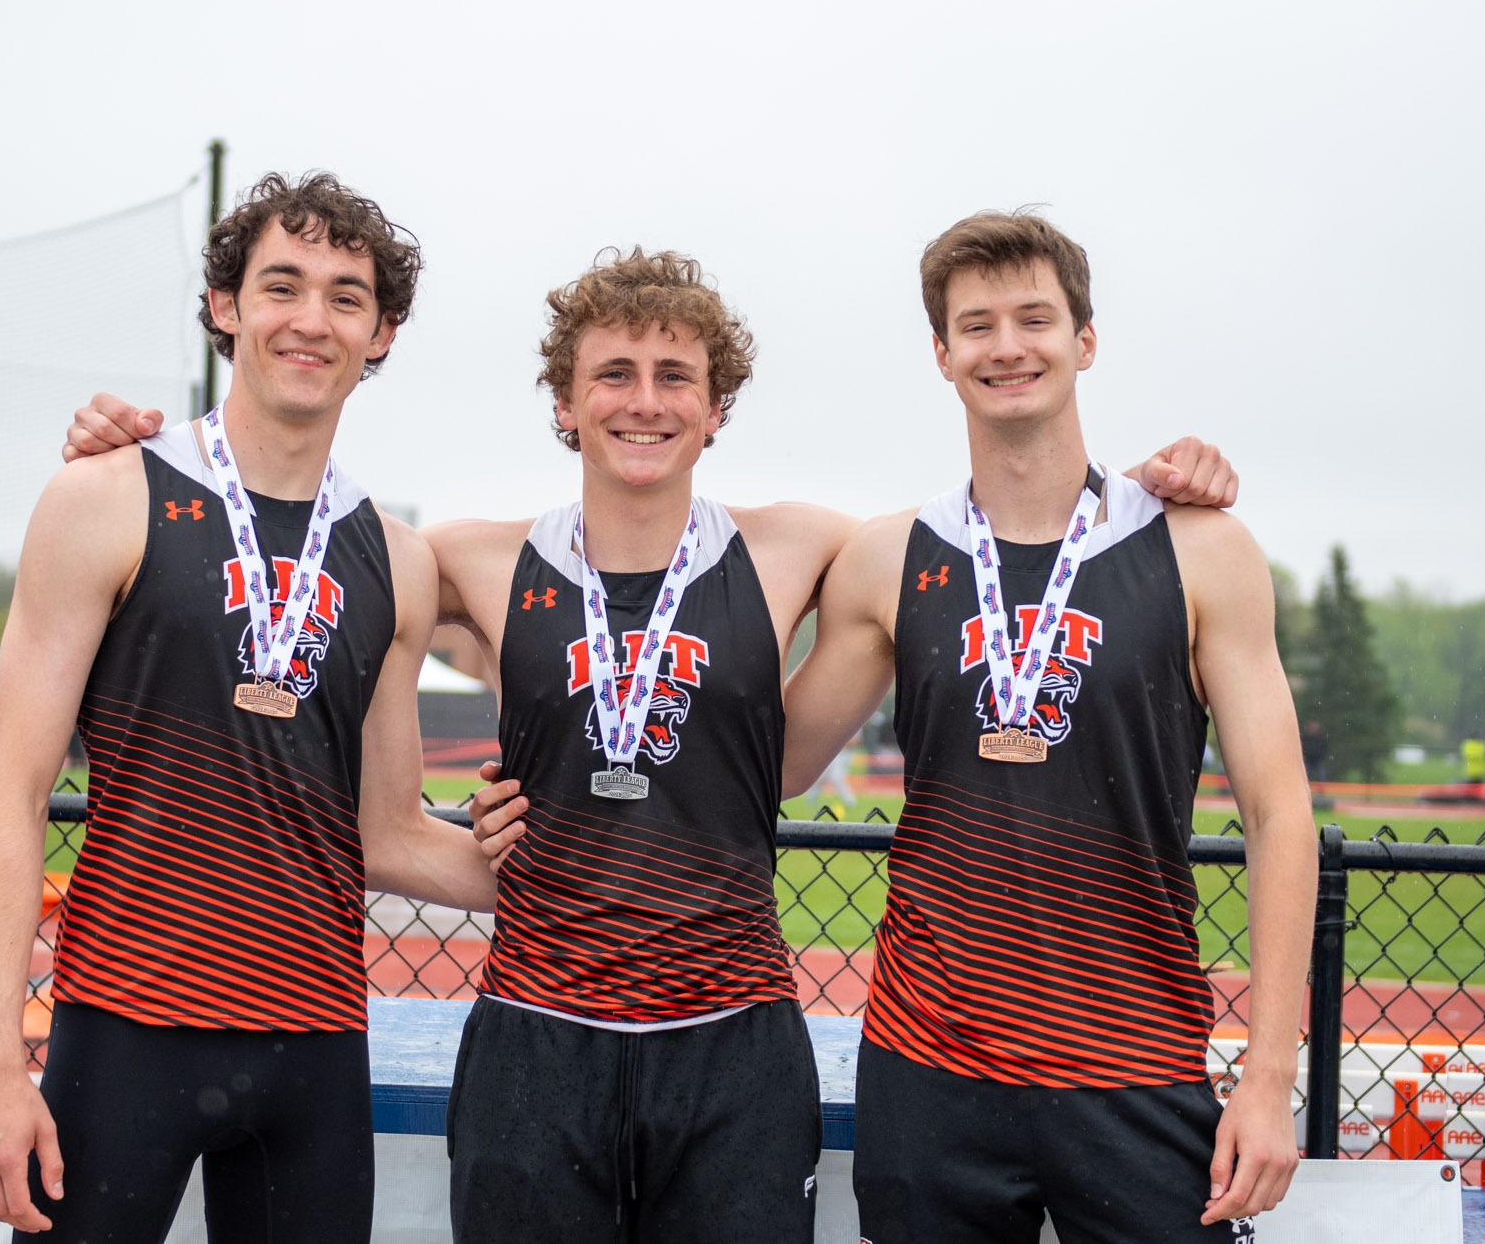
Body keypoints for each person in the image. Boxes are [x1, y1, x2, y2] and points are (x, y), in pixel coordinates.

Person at [64, 248, 1237, 1244]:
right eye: (611, 374)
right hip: (536, 1040)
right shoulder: (455, 559)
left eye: (676, 375)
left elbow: (1010, 531)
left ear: (715, 407)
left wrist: (1158, 483)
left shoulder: (805, 549)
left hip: (732, 1046)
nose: (644, 399)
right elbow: (271, 535)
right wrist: (121, 445)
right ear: (563, 404)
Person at [0, 172, 496, 1242]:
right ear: (224, 306)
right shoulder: (104, 498)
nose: (311, 319)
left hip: (314, 1050)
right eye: (281, 285)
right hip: (123, 1032)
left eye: (346, 297)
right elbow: (12, 797)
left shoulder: (394, 558)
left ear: (381, 330)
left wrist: (574, 863)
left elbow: (387, 832)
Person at [782, 209, 1313, 1242]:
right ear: (940, 354)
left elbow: (1276, 811)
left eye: (1034, 317)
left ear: (1084, 340)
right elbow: (774, 763)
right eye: (975, 325)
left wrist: (1267, 1072)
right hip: (927, 1065)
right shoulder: (889, 556)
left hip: (1133, 1061)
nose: (1006, 345)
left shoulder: (1199, 548)